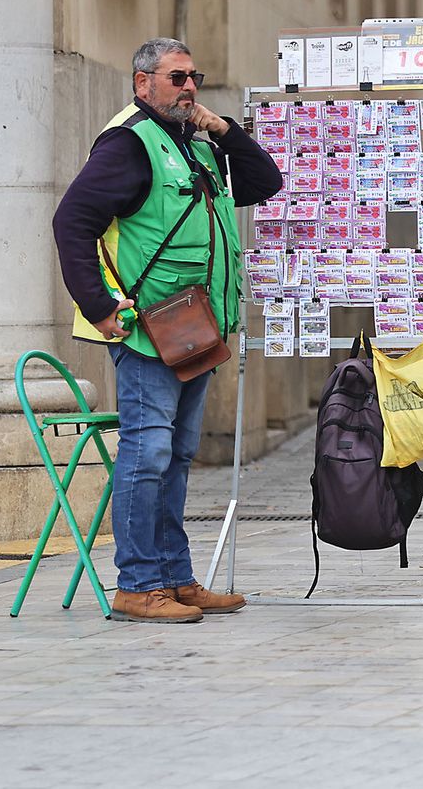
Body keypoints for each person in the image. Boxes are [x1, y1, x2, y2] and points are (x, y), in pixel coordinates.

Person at [53, 37, 282, 622]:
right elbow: (71, 221)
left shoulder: (198, 144)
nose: (188, 88)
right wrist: (100, 306)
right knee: (147, 452)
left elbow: (265, 181)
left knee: (177, 454)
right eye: (176, 78)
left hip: (196, 330)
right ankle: (137, 586)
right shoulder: (129, 145)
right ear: (142, 83)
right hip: (147, 330)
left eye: (193, 78)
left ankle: (175, 578)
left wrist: (223, 127)